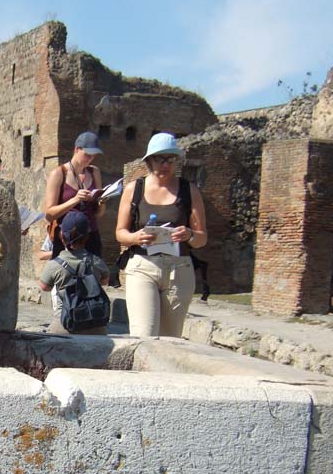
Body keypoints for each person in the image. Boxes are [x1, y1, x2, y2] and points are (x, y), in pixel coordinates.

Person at [115, 132, 207, 337]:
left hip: (178, 269)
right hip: (143, 266)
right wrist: (136, 237)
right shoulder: (134, 189)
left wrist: (189, 234)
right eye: (159, 159)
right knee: (143, 334)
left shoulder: (189, 190)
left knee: (170, 339)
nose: (165, 164)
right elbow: (120, 233)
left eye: (170, 159)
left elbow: (201, 239)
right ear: (149, 160)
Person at [38, 210, 110, 335]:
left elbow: (45, 287)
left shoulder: (54, 265)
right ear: (87, 237)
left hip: (64, 323)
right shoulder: (97, 262)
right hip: (95, 325)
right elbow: (104, 281)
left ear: (61, 236)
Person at [43, 131, 105, 259]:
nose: (90, 159)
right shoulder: (58, 174)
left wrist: (102, 200)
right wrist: (75, 200)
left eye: (93, 156)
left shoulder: (94, 172)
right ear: (77, 149)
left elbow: (99, 214)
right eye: (87, 154)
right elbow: (49, 215)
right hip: (67, 238)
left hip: (90, 236)